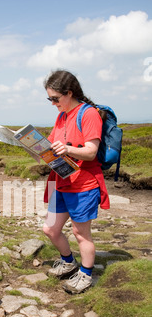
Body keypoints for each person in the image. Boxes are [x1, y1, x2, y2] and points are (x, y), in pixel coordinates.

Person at [42, 69, 110, 294]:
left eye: (55, 98)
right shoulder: (61, 116)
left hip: (83, 185)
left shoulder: (88, 114)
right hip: (61, 181)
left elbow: (91, 152)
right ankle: (68, 262)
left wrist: (68, 149)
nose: (53, 103)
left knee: (81, 234)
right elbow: (52, 146)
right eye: (49, 99)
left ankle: (86, 275)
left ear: (69, 93)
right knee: (50, 229)